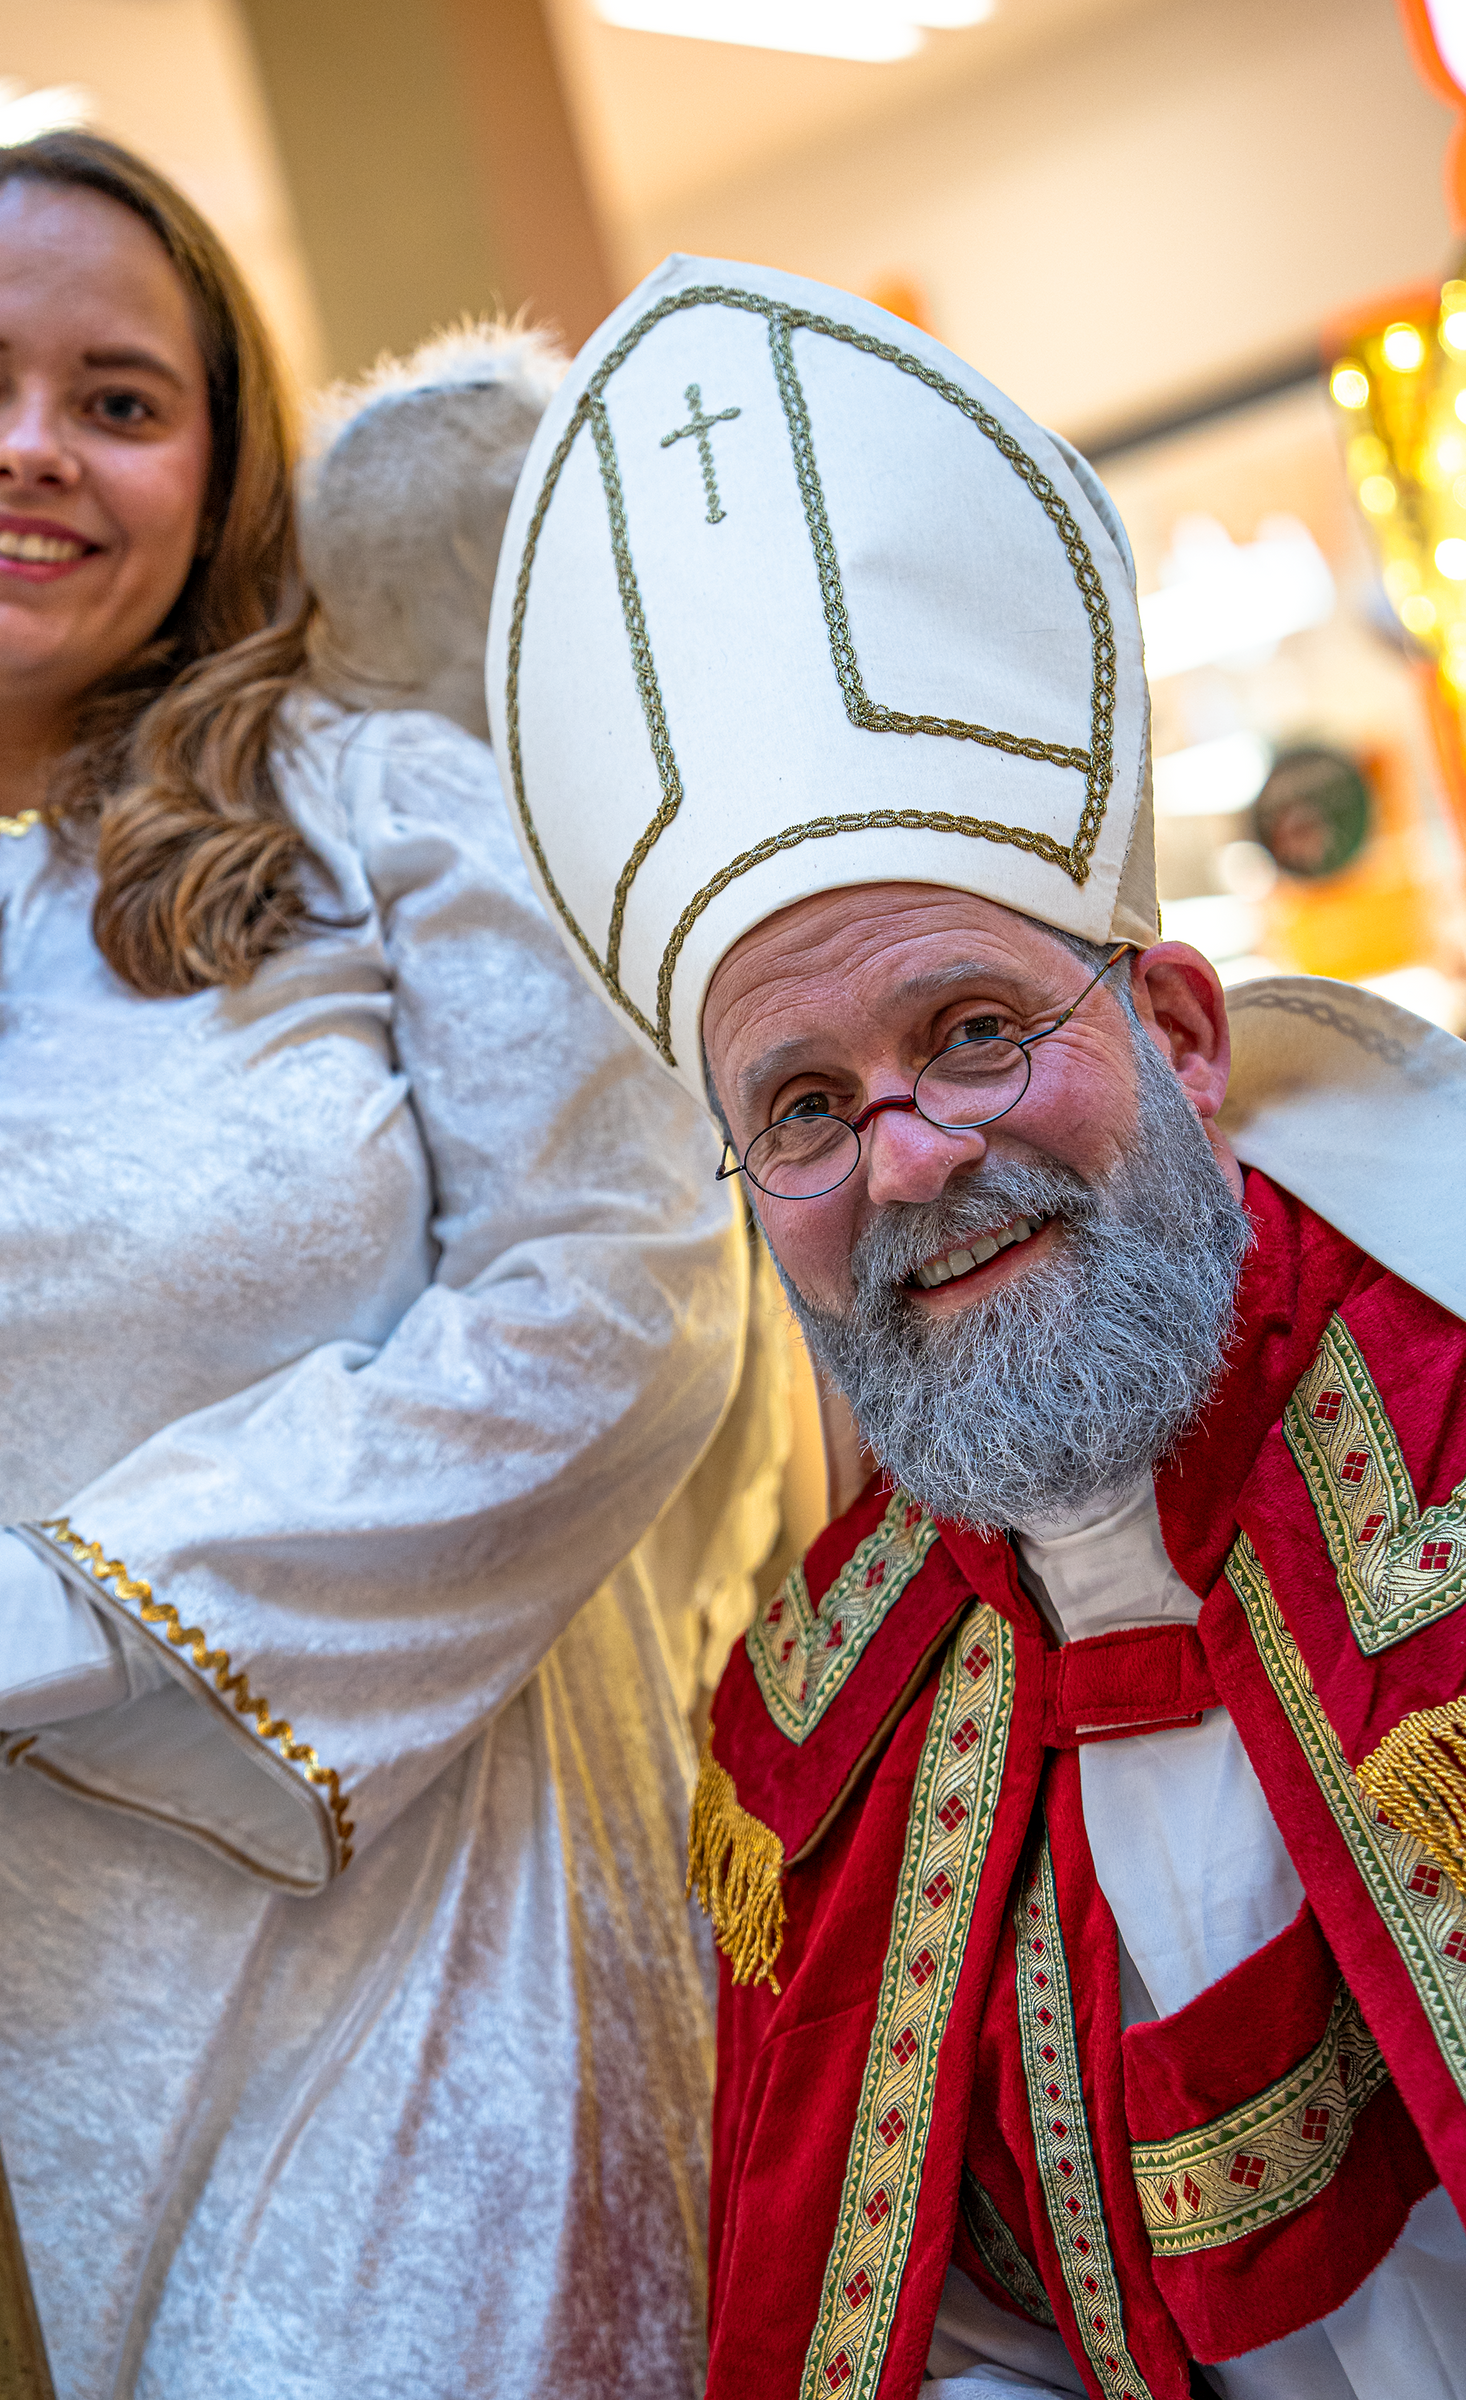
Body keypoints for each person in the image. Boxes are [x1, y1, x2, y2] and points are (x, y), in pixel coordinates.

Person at [0, 143, 754, 2398]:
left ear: (218, 475)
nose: (31, 449)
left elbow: (621, 1299)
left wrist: (99, 1591)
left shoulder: (388, 815)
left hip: (395, 2015)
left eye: (121, 400)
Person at [488, 251, 1466, 2399]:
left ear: (1185, 1032)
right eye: (811, 1109)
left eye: (973, 1029)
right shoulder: (811, 1735)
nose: (913, 1160)